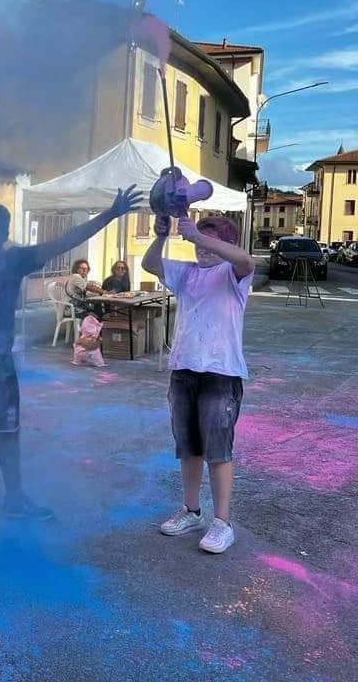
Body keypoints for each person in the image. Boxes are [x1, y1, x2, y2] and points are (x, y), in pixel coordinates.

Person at [0, 176, 142, 536]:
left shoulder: (15, 259)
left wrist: (111, 215)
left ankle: (14, 498)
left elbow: (67, 241)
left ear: (3, 232)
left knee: (8, 432)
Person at [142, 214, 255, 554]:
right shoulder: (186, 273)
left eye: (210, 241)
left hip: (221, 373)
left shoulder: (233, 274)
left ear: (224, 244)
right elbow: (150, 264)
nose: (201, 248)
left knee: (218, 451)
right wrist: (162, 236)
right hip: (184, 370)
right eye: (197, 241)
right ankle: (191, 510)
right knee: (188, 447)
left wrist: (197, 235)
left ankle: (223, 523)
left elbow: (248, 260)